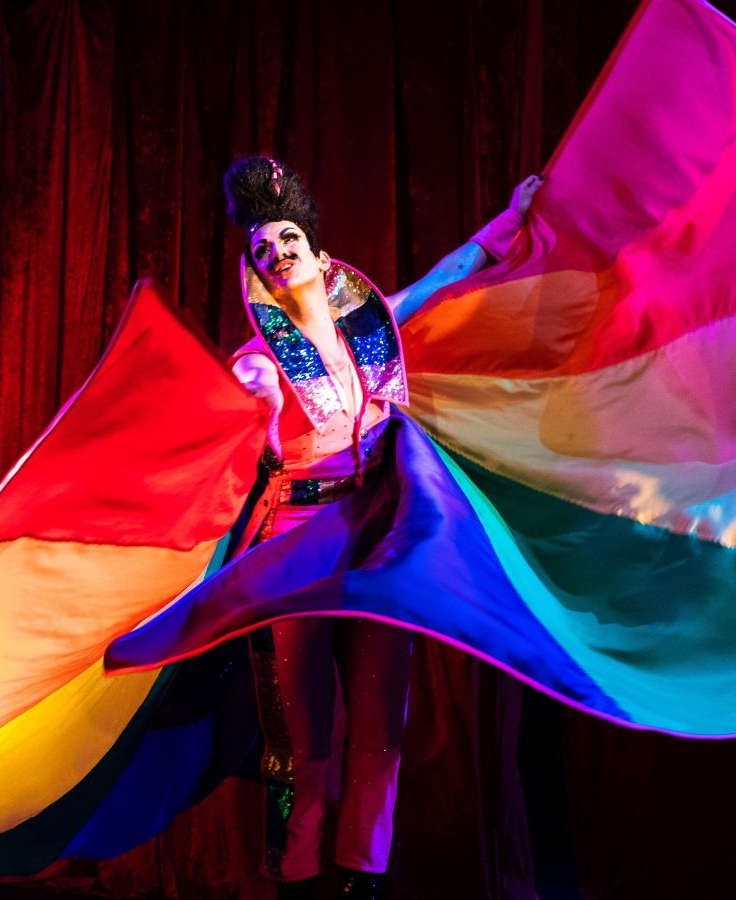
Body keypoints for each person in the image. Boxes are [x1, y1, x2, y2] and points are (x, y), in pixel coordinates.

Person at [220, 156, 541, 900]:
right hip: (300, 546)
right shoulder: (259, 360)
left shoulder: (375, 326)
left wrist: (513, 219)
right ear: (259, 278)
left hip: (378, 538)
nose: (279, 253)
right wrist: (258, 406)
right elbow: (245, 415)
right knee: (306, 745)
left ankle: (361, 882)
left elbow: (447, 274)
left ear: (320, 256)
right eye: (264, 251)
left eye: (289, 239)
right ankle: (299, 882)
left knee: (382, 733)